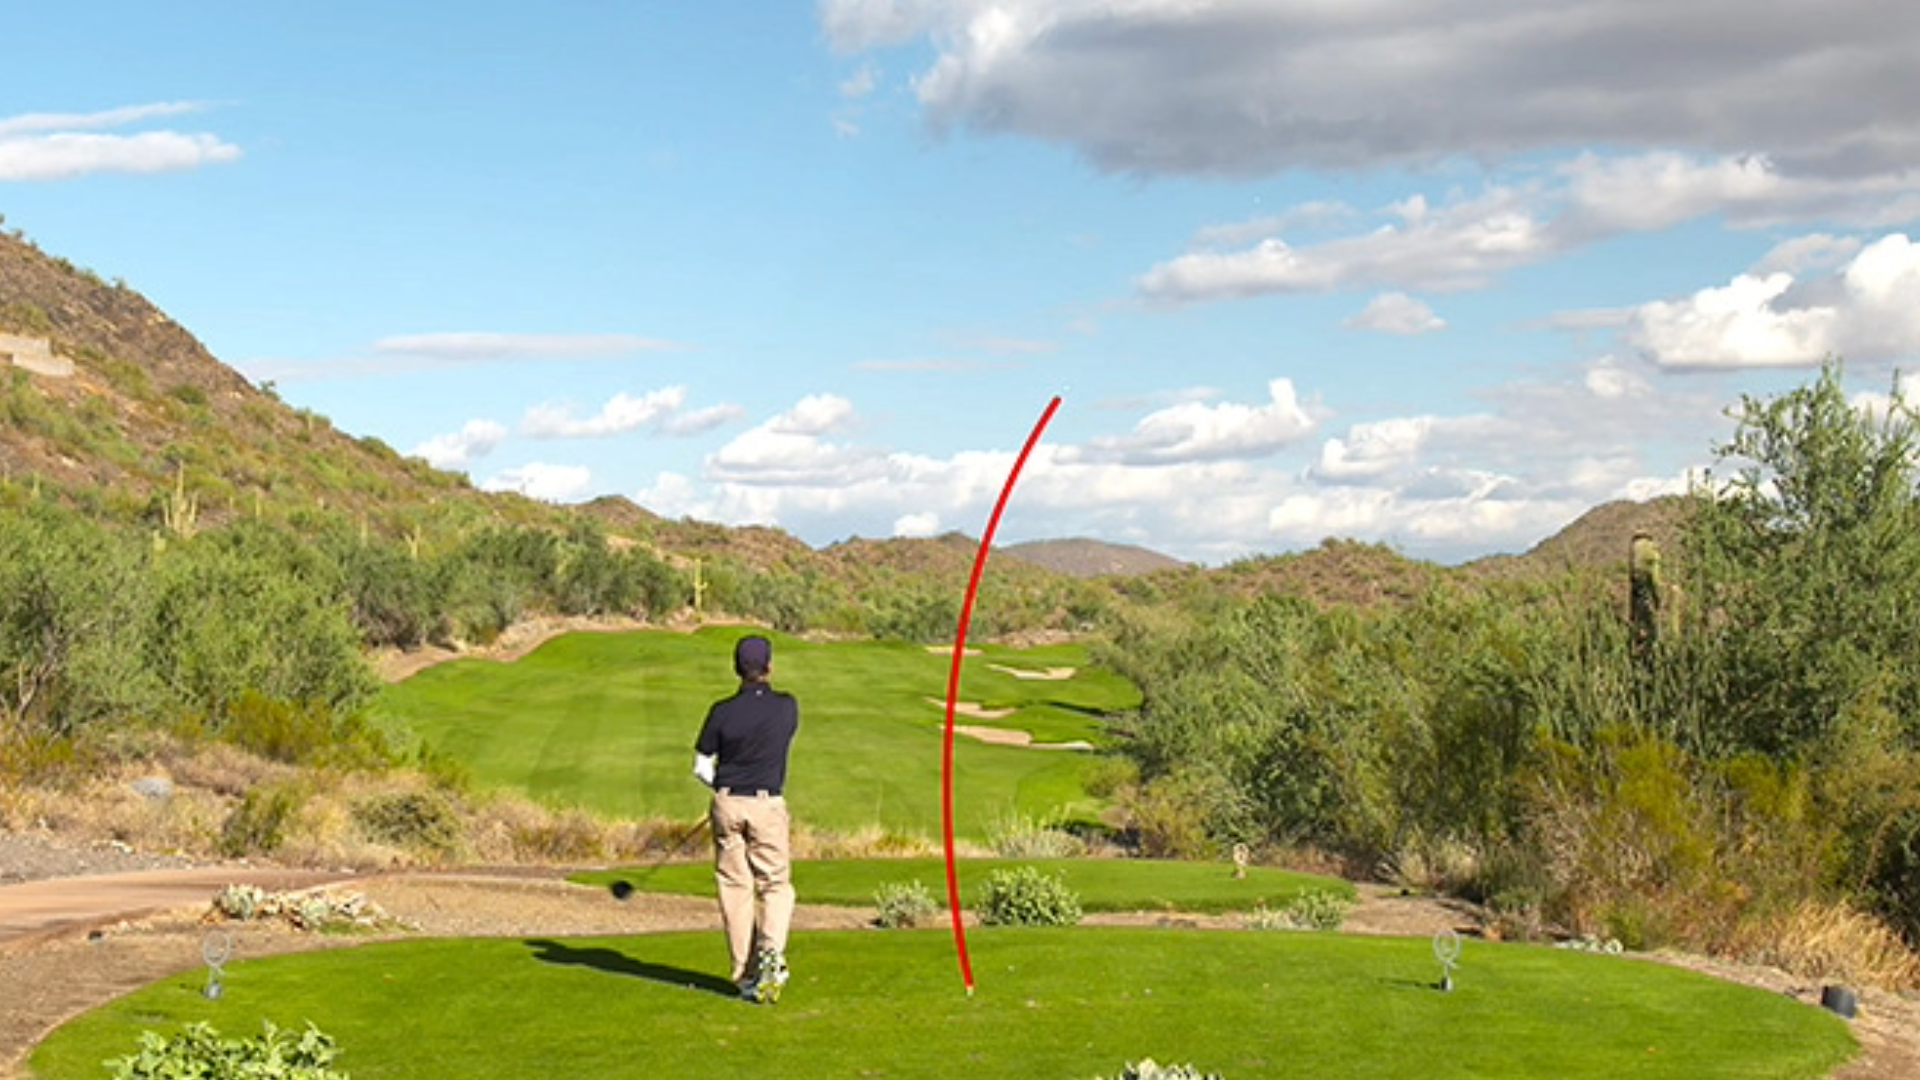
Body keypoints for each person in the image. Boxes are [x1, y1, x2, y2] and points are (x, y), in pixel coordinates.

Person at [692, 634, 799, 1003]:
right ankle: (771, 952)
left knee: (735, 889)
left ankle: (745, 974)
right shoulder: (787, 707)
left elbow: (702, 766)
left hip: (727, 803)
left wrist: (722, 787)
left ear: (737, 668)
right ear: (769, 666)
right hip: (766, 803)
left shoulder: (721, 711)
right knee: (774, 884)